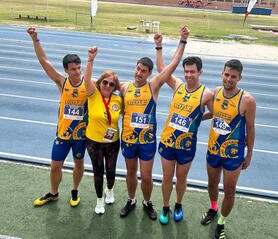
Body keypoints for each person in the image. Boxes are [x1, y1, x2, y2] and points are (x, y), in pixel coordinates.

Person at [119, 26, 190, 221]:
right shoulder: (124, 87)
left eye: (143, 71)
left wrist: (180, 41)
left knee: (147, 176)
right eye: (138, 69)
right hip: (127, 139)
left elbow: (172, 66)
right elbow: (101, 86)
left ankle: (147, 202)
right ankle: (131, 200)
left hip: (147, 141)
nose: (139, 73)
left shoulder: (153, 86)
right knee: (130, 172)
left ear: (149, 73)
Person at [154, 34, 214, 225]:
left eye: (192, 72)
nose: (188, 75)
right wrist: (159, 47)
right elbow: (162, 69)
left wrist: (197, 120)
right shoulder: (178, 85)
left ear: (200, 72)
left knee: (181, 178)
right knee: (166, 178)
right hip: (168, 141)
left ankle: (178, 204)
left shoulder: (206, 94)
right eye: (186, 71)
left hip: (187, 145)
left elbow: (213, 113)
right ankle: (165, 206)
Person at [28, 27, 87, 207]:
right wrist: (35, 39)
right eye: (73, 69)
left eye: (78, 68)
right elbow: (43, 61)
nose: (77, 72)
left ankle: (75, 191)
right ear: (66, 70)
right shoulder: (62, 82)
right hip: (63, 134)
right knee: (55, 166)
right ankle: (53, 193)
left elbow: (110, 84)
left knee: (79, 164)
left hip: (80, 136)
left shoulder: (89, 83)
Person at [200, 59, 256, 239]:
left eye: (233, 76)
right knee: (212, 184)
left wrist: (249, 155)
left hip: (233, 154)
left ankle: (221, 223)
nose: (229, 79)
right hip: (213, 149)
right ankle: (213, 208)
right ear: (221, 74)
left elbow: (251, 128)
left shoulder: (247, 100)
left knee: (230, 190)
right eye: (226, 75)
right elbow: (214, 114)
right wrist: (194, 118)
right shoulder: (216, 92)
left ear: (240, 77)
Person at [83, 47, 123, 215]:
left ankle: (110, 190)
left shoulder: (118, 99)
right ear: (99, 83)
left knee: (111, 170)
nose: (107, 85)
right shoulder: (93, 94)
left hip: (112, 143)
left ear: (114, 86)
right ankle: (99, 200)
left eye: (111, 84)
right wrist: (91, 60)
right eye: (105, 82)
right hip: (94, 142)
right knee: (98, 171)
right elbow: (86, 80)